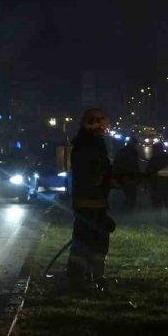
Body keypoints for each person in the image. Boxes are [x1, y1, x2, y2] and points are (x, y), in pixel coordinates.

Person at [66, 108, 115, 292]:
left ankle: (84, 278)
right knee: (95, 243)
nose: (104, 128)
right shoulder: (92, 146)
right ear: (95, 125)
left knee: (86, 243)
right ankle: (85, 279)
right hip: (92, 204)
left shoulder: (83, 145)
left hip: (88, 204)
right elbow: (98, 173)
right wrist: (111, 179)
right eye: (102, 125)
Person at [145, 141, 168, 216]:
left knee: (157, 207)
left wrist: (146, 185)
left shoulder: (153, 159)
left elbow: (148, 173)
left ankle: (159, 223)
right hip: (167, 186)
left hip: (156, 186)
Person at [112, 138, 140, 212]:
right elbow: (135, 166)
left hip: (120, 178)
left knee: (124, 196)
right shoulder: (133, 153)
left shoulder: (121, 151)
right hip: (129, 178)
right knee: (131, 197)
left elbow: (115, 165)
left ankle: (123, 212)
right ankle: (128, 212)